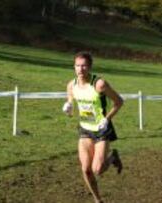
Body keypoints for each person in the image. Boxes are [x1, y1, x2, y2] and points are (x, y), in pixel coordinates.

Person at [62, 51, 124, 203]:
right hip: (85, 129)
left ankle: (113, 157)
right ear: (74, 67)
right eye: (77, 65)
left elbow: (119, 102)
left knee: (98, 169)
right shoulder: (71, 85)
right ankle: (98, 200)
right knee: (86, 170)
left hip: (102, 129)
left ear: (89, 67)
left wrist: (107, 119)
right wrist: (69, 107)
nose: (80, 69)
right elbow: (71, 100)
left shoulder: (99, 84)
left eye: (84, 66)